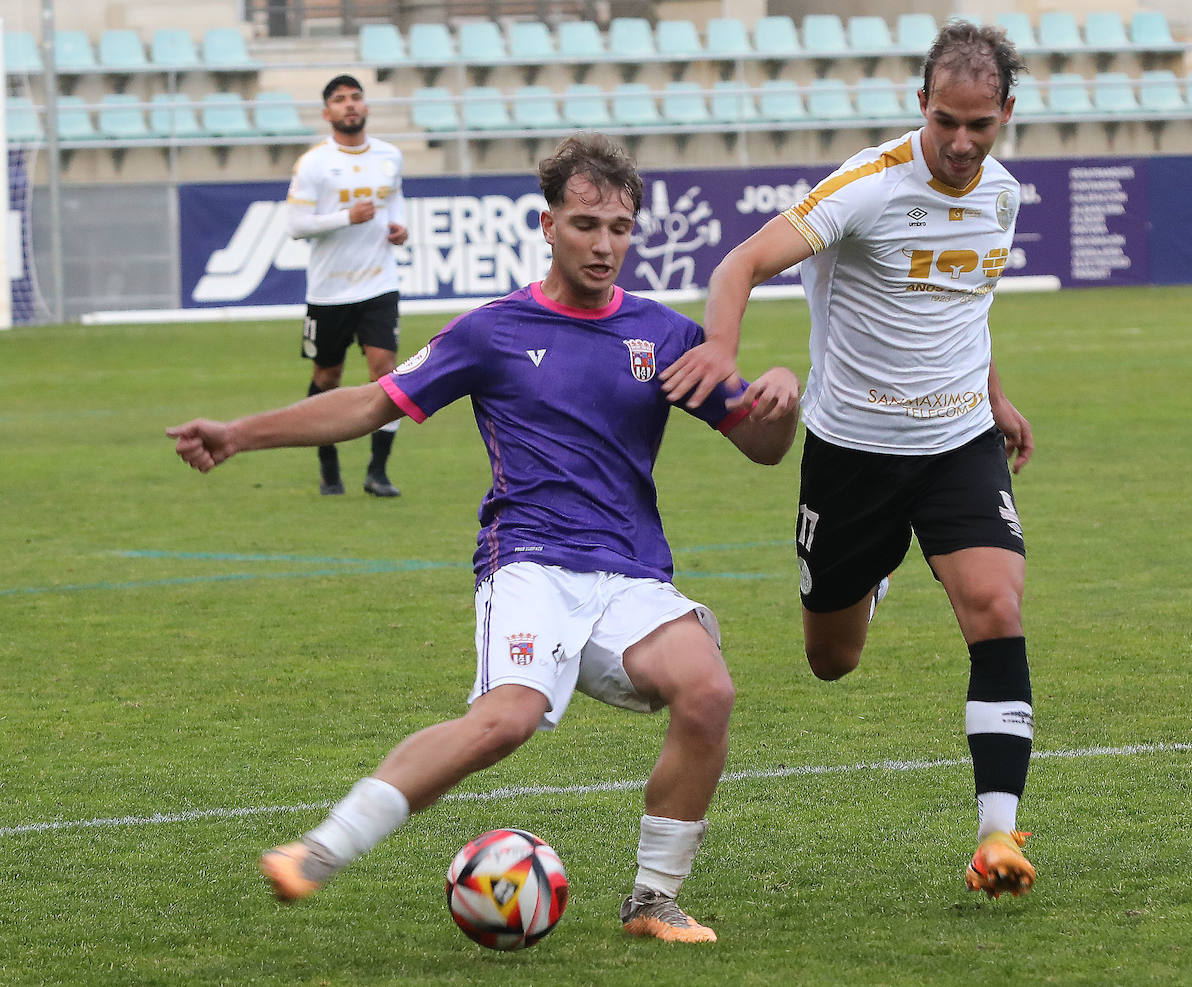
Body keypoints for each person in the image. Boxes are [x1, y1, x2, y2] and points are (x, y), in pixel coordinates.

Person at [168, 133, 801, 943]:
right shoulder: (492, 331)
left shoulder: (665, 337)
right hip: (529, 559)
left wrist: (780, 400)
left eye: (618, 227)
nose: (603, 244)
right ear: (547, 224)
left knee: (708, 690)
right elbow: (369, 404)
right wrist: (238, 433)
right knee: (506, 718)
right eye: (584, 225)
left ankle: (652, 901)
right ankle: (319, 850)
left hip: (632, 572)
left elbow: (760, 446)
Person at [659, 21, 1038, 900]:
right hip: (853, 454)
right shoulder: (867, 186)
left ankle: (997, 833)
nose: (961, 141)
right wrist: (721, 350)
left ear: (1006, 115)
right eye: (946, 119)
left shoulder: (1004, 196)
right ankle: (869, 578)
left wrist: (994, 394)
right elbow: (739, 264)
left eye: (981, 125)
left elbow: (961, 309)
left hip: (956, 446)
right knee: (833, 659)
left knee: (996, 604)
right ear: (921, 105)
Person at [286, 74, 409, 497]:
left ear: (366, 107)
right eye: (340, 100)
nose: (350, 105)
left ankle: (378, 471)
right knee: (327, 376)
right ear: (327, 113)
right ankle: (328, 465)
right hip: (329, 291)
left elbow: (394, 199)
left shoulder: (390, 156)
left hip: (379, 282)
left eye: (356, 97)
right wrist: (345, 218)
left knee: (385, 372)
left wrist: (400, 228)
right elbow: (296, 226)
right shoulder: (314, 163)